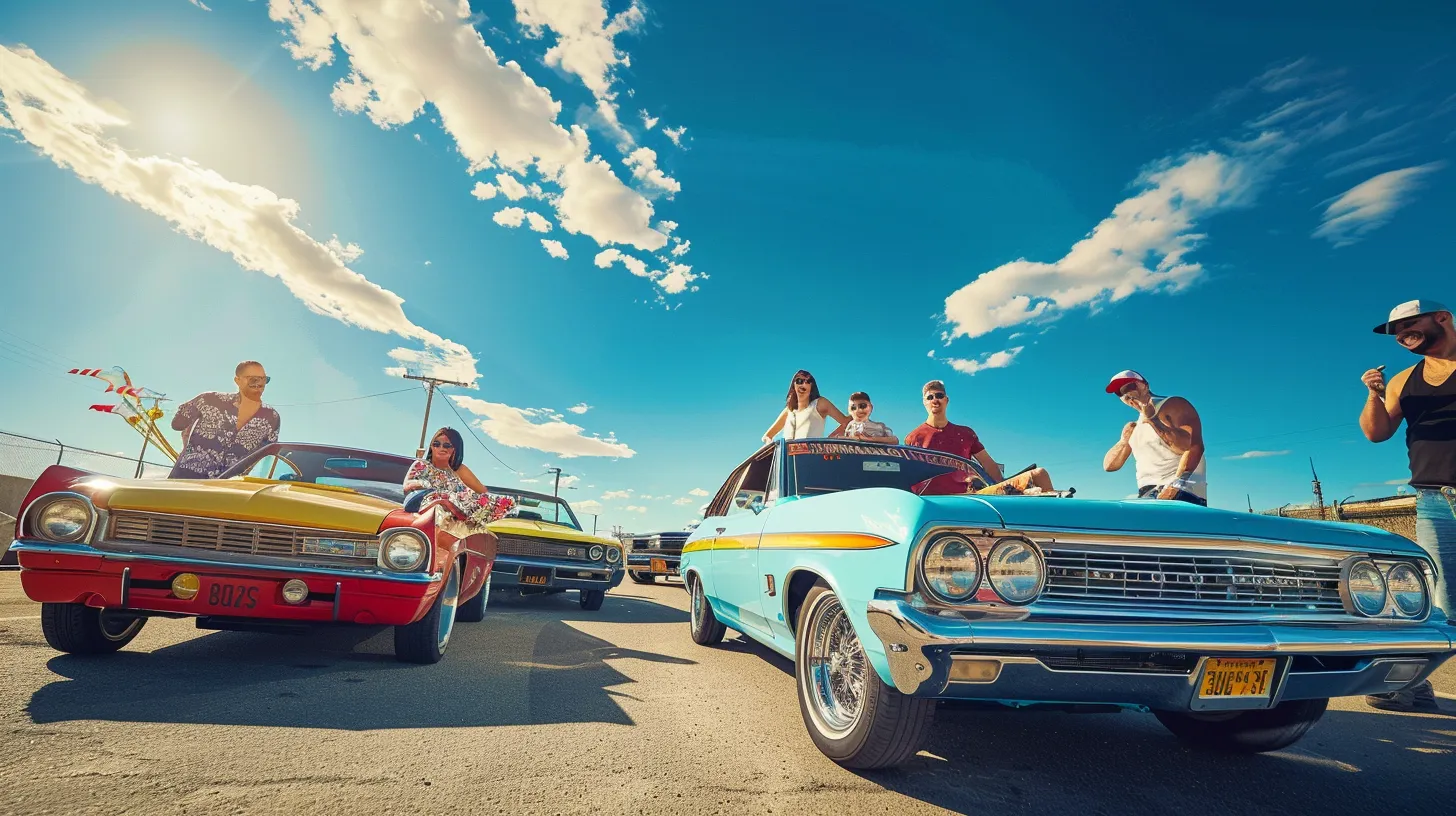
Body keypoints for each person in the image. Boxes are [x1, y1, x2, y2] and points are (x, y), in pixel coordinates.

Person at [1359, 299, 1456, 712]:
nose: (1401, 334)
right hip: (1433, 499)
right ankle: (1414, 686)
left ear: (1442, 318)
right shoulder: (1403, 380)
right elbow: (1376, 433)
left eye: (1409, 324)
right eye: (1395, 331)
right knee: (1443, 601)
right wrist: (1374, 396)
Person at [903, 380, 1053, 495]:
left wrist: (1003, 488)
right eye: (930, 397)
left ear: (946, 400)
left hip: (972, 497)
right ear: (924, 403)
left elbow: (988, 464)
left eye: (939, 395)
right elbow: (911, 477)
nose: (935, 399)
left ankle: (1055, 529)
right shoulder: (914, 437)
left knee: (1040, 474)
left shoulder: (965, 433)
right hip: (935, 501)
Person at [1102, 370, 1207, 506]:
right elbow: (1109, 466)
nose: (1126, 394)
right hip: (1147, 493)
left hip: (1183, 491)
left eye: (1129, 387)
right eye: (1119, 393)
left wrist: (1176, 486)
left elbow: (1192, 446)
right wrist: (1123, 441)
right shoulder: (1135, 426)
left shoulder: (1173, 404)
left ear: (1145, 385)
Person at [168, 360, 282, 479]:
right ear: (237, 380)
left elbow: (267, 456)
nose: (259, 384)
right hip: (184, 481)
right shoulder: (209, 399)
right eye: (253, 379)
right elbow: (177, 424)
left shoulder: (272, 417)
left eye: (264, 379)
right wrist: (188, 437)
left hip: (229, 490)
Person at [402, 427, 513, 526]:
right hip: (427, 508)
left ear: (455, 449)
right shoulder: (421, 465)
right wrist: (432, 487)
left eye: (447, 445)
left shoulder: (459, 470)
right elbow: (407, 486)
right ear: (431, 446)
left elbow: (483, 493)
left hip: (458, 516)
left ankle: (462, 513)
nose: (441, 448)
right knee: (445, 497)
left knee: (505, 502)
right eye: (436, 444)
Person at [762, 370, 849, 443]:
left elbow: (846, 421)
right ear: (794, 385)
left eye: (807, 382)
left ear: (811, 386)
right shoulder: (789, 410)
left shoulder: (819, 403)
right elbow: (767, 436)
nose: (803, 384)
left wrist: (830, 438)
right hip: (788, 459)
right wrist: (769, 444)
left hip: (810, 458)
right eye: (799, 381)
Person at [831, 391, 899, 444]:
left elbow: (894, 440)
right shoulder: (850, 425)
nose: (858, 410)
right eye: (853, 407)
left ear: (871, 407)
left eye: (863, 406)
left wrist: (867, 439)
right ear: (849, 410)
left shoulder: (880, 426)